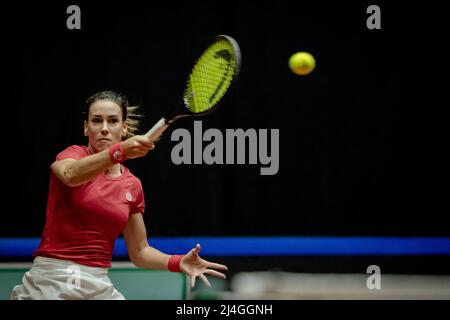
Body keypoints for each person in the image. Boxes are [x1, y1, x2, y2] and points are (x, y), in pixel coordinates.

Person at [10, 91, 228, 300]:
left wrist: (178, 262)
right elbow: (70, 174)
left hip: (98, 283)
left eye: (112, 121)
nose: (104, 128)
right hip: (53, 279)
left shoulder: (132, 185)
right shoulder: (72, 155)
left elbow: (140, 251)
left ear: (124, 128)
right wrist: (119, 152)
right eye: (96, 121)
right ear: (86, 128)